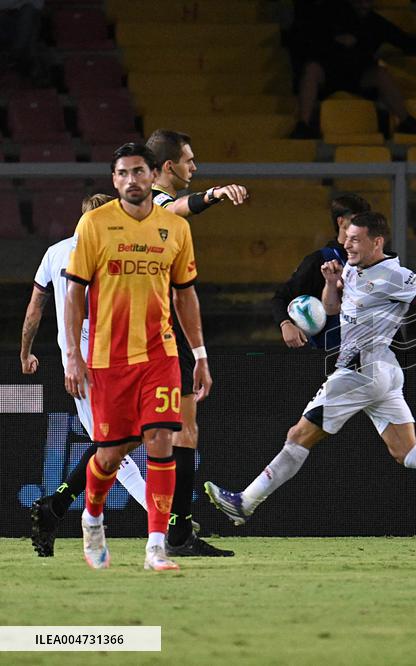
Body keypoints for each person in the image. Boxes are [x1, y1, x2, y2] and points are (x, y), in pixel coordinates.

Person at [204, 212, 416, 532]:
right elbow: (332, 309)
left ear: (377, 242)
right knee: (406, 451)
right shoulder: (351, 266)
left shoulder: (394, 275)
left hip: (360, 370)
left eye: (355, 239)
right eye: (346, 238)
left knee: (298, 436)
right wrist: (332, 283)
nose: (347, 244)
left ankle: (244, 503)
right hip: (382, 371)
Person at [64, 142, 211, 571]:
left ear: (153, 175)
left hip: (159, 354)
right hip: (108, 357)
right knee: (109, 454)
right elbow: (75, 293)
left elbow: (186, 295)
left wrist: (199, 353)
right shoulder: (94, 225)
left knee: (161, 440)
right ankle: (92, 520)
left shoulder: (175, 228)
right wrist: (73, 353)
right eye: (123, 173)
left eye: (139, 172)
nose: (132, 180)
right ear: (114, 180)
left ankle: (156, 547)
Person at [24, 194, 150, 558]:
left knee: (122, 438)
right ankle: (166, 522)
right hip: (94, 363)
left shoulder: (55, 252)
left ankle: (54, 509)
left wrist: (26, 351)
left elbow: (36, 308)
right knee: (116, 442)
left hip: (86, 360)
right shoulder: (104, 253)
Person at [142, 129, 246, 557]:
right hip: (157, 332)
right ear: (168, 167)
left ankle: (178, 530)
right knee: (163, 433)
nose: (195, 167)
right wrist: (216, 194)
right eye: (189, 161)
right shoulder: (154, 203)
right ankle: (175, 532)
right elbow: (181, 206)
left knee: (165, 432)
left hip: (157, 330)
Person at [288, 0, 416, 138]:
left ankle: (406, 121)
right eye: (360, 1)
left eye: (367, 1)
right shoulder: (330, 13)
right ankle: (304, 125)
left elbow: (405, 41)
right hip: (328, 74)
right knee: (311, 68)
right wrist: (334, 40)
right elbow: (304, 38)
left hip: (358, 76)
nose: (363, 5)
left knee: (381, 73)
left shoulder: (376, 23)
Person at [272, 193, 370, 350]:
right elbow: (281, 298)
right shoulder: (320, 260)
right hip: (331, 357)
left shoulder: (373, 260)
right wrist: (286, 324)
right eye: (358, 221)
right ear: (341, 222)